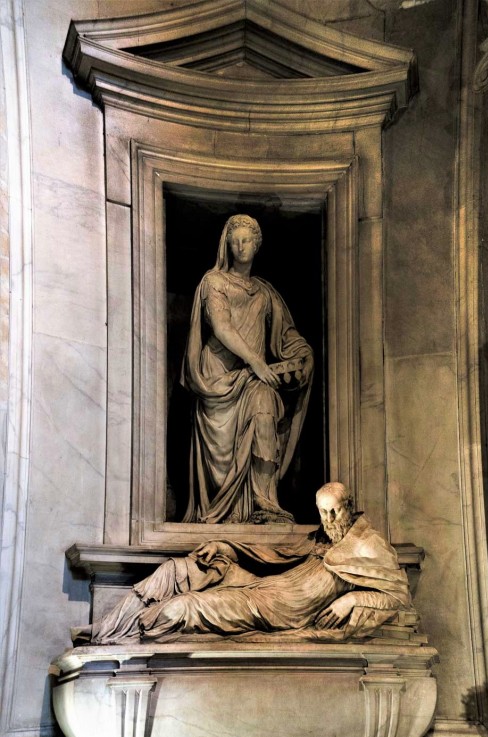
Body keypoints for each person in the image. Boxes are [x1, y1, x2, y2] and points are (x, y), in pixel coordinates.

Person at [71, 483, 412, 645]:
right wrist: (226, 548)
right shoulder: (322, 539)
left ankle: (126, 635)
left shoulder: (368, 545)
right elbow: (277, 557)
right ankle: (105, 629)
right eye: (323, 511)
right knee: (177, 570)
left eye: (335, 510)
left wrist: (352, 598)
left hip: (268, 610)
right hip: (259, 585)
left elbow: (398, 597)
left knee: (184, 608)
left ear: (350, 505)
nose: (329, 518)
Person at [180, 214, 314, 524]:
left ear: (257, 245)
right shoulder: (214, 281)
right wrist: (256, 361)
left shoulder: (265, 293)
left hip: (254, 379)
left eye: (247, 241)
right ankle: (225, 509)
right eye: (235, 241)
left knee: (265, 406)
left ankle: (264, 501)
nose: (241, 246)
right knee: (228, 443)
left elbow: (286, 336)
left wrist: (304, 355)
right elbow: (221, 326)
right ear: (227, 245)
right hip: (218, 378)